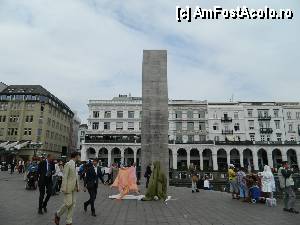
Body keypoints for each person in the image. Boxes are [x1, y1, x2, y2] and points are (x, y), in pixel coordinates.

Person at [54, 152, 80, 225]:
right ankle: (57, 214)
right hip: (68, 187)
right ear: (76, 156)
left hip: (74, 188)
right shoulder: (68, 164)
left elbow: (76, 177)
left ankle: (69, 222)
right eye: (79, 156)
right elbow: (64, 177)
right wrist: (63, 187)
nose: (79, 157)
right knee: (68, 203)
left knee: (72, 204)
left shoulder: (75, 164)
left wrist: (78, 186)